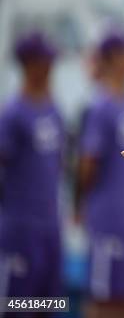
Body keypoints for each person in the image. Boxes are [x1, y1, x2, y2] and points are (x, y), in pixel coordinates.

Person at [77, 33, 124, 318]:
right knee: (104, 298)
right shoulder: (100, 106)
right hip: (108, 221)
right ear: (113, 58)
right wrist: (83, 208)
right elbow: (86, 166)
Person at [0, 32, 65, 310]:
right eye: (45, 61)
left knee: (49, 304)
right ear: (29, 64)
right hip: (20, 228)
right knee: (19, 305)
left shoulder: (53, 109)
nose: (51, 67)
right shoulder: (12, 114)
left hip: (50, 225)